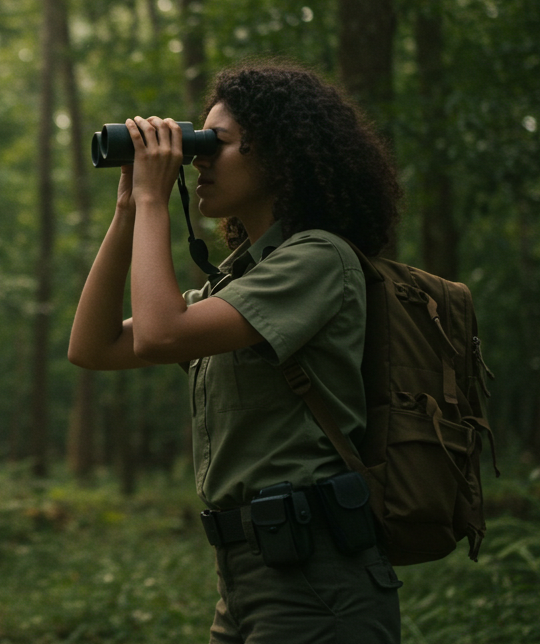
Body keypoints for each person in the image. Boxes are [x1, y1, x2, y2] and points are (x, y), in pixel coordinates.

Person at [67, 60, 404, 643]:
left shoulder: (319, 260)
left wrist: (154, 203)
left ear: (278, 154)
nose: (196, 159)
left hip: (316, 582)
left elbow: (161, 333)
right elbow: (93, 347)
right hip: (247, 578)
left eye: (214, 144)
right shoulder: (239, 286)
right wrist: (128, 208)